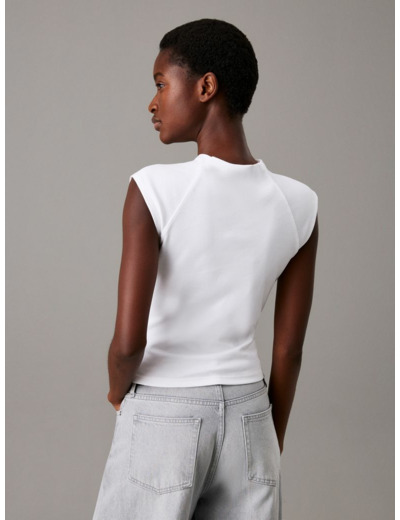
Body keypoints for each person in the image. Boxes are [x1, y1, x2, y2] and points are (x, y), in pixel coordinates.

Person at [92, 18, 319, 520]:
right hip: (251, 416)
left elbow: (128, 345)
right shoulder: (299, 203)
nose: (152, 103)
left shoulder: (153, 189)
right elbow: (289, 350)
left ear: (206, 86)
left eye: (160, 84)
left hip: (164, 411)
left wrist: (116, 393)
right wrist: (267, 440)